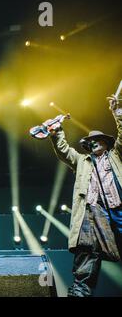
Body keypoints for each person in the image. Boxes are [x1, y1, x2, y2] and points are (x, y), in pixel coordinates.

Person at [48, 94, 122, 297]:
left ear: (106, 144)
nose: (95, 142)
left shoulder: (117, 155)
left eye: (99, 140)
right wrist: (56, 132)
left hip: (117, 207)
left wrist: (118, 113)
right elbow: (63, 151)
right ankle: (80, 292)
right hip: (92, 210)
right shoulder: (82, 161)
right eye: (92, 141)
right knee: (87, 250)